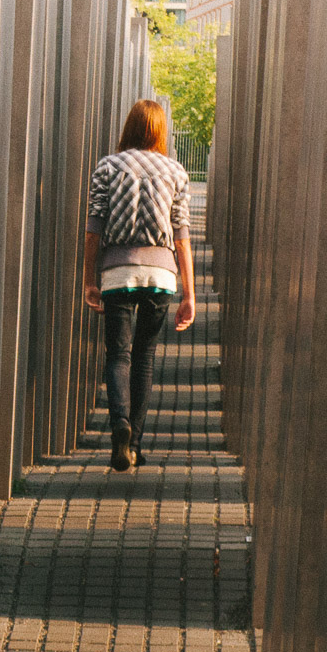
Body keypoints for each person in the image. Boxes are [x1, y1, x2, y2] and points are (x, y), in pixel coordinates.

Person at [82, 99, 196, 472]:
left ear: (128, 127)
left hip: (118, 271)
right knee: (145, 356)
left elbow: (93, 228)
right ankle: (136, 444)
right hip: (161, 274)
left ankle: (120, 425)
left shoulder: (108, 166)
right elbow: (182, 238)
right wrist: (190, 295)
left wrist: (88, 280)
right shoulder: (176, 172)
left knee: (118, 354)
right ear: (160, 132)